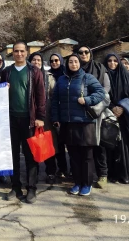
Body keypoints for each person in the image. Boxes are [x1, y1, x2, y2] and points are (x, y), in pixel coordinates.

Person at [52, 54, 105, 197]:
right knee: (74, 156)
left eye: (76, 62)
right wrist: (56, 117)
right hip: (68, 123)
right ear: (67, 63)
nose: (73, 64)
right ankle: (77, 182)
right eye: (70, 62)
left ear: (80, 63)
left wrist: (87, 100)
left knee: (86, 155)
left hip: (85, 123)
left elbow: (101, 93)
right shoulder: (62, 80)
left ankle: (86, 184)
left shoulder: (87, 78)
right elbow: (55, 100)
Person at [1, 42, 45, 204]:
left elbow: (41, 96)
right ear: (12, 53)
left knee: (30, 154)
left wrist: (40, 117)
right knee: (12, 154)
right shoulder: (7, 72)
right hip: (11, 119)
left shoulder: (35, 72)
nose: (19, 54)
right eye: (16, 51)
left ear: (27, 53)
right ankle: (16, 186)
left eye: (21, 51)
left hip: (30, 120)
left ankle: (31, 188)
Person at [103, 54, 129, 184]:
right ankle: (111, 173)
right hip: (109, 114)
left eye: (115, 61)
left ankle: (125, 173)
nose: (112, 63)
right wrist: (112, 107)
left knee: (125, 146)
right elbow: (102, 94)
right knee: (111, 145)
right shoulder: (104, 75)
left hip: (124, 116)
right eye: (109, 61)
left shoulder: (126, 76)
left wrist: (121, 108)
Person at [77, 45, 111, 189]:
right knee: (82, 145)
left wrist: (91, 101)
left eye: (86, 52)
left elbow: (106, 88)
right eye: (81, 52)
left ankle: (103, 174)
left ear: (90, 54)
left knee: (99, 144)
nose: (83, 54)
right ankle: (81, 174)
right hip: (78, 111)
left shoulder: (100, 68)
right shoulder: (74, 68)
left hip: (96, 111)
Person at [44, 53, 68, 182]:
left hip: (64, 113)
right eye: (52, 60)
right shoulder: (48, 75)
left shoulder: (66, 74)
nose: (54, 62)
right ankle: (51, 171)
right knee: (51, 143)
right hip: (50, 114)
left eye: (57, 60)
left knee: (62, 143)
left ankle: (64, 169)